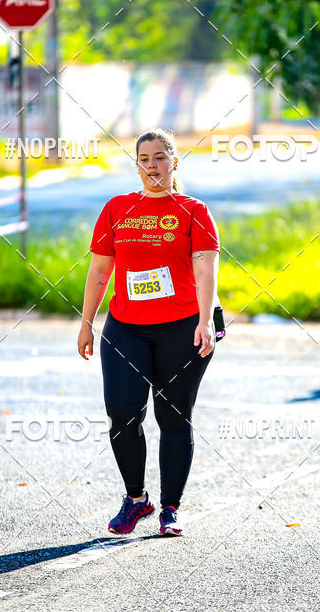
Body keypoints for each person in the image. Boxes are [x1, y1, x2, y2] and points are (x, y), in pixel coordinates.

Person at [77, 128, 220, 537]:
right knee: (122, 413)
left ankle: (171, 508)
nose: (153, 165)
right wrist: (87, 323)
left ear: (175, 162)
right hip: (126, 329)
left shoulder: (194, 210)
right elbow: (100, 270)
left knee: (173, 415)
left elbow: (205, 270)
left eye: (160, 157)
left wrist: (205, 321)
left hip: (182, 328)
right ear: (136, 164)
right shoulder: (117, 209)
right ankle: (137, 499)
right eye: (145, 158)